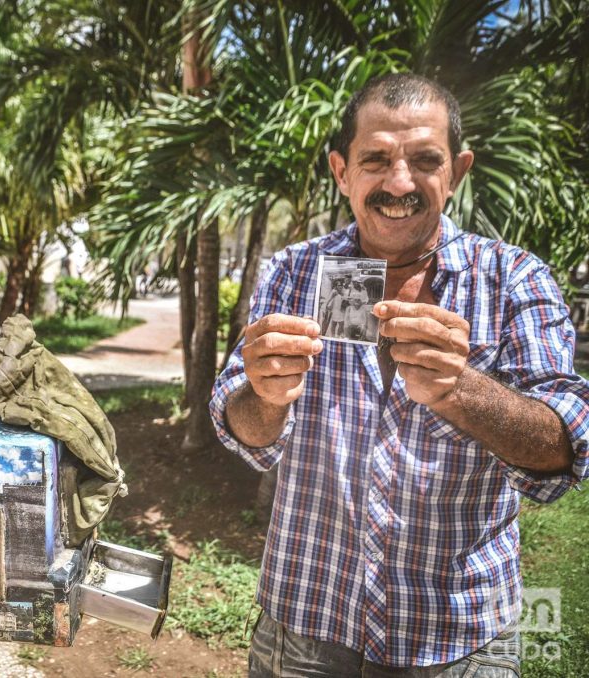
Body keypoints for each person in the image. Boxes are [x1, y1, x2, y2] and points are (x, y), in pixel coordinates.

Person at [211, 73, 588, 676]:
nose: (399, 183)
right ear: (341, 171)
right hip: (308, 627)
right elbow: (246, 433)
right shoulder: (294, 273)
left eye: (424, 160)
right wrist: (265, 396)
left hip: (461, 642)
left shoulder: (514, 278)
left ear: (457, 171)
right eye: (376, 159)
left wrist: (459, 390)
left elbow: (564, 449)